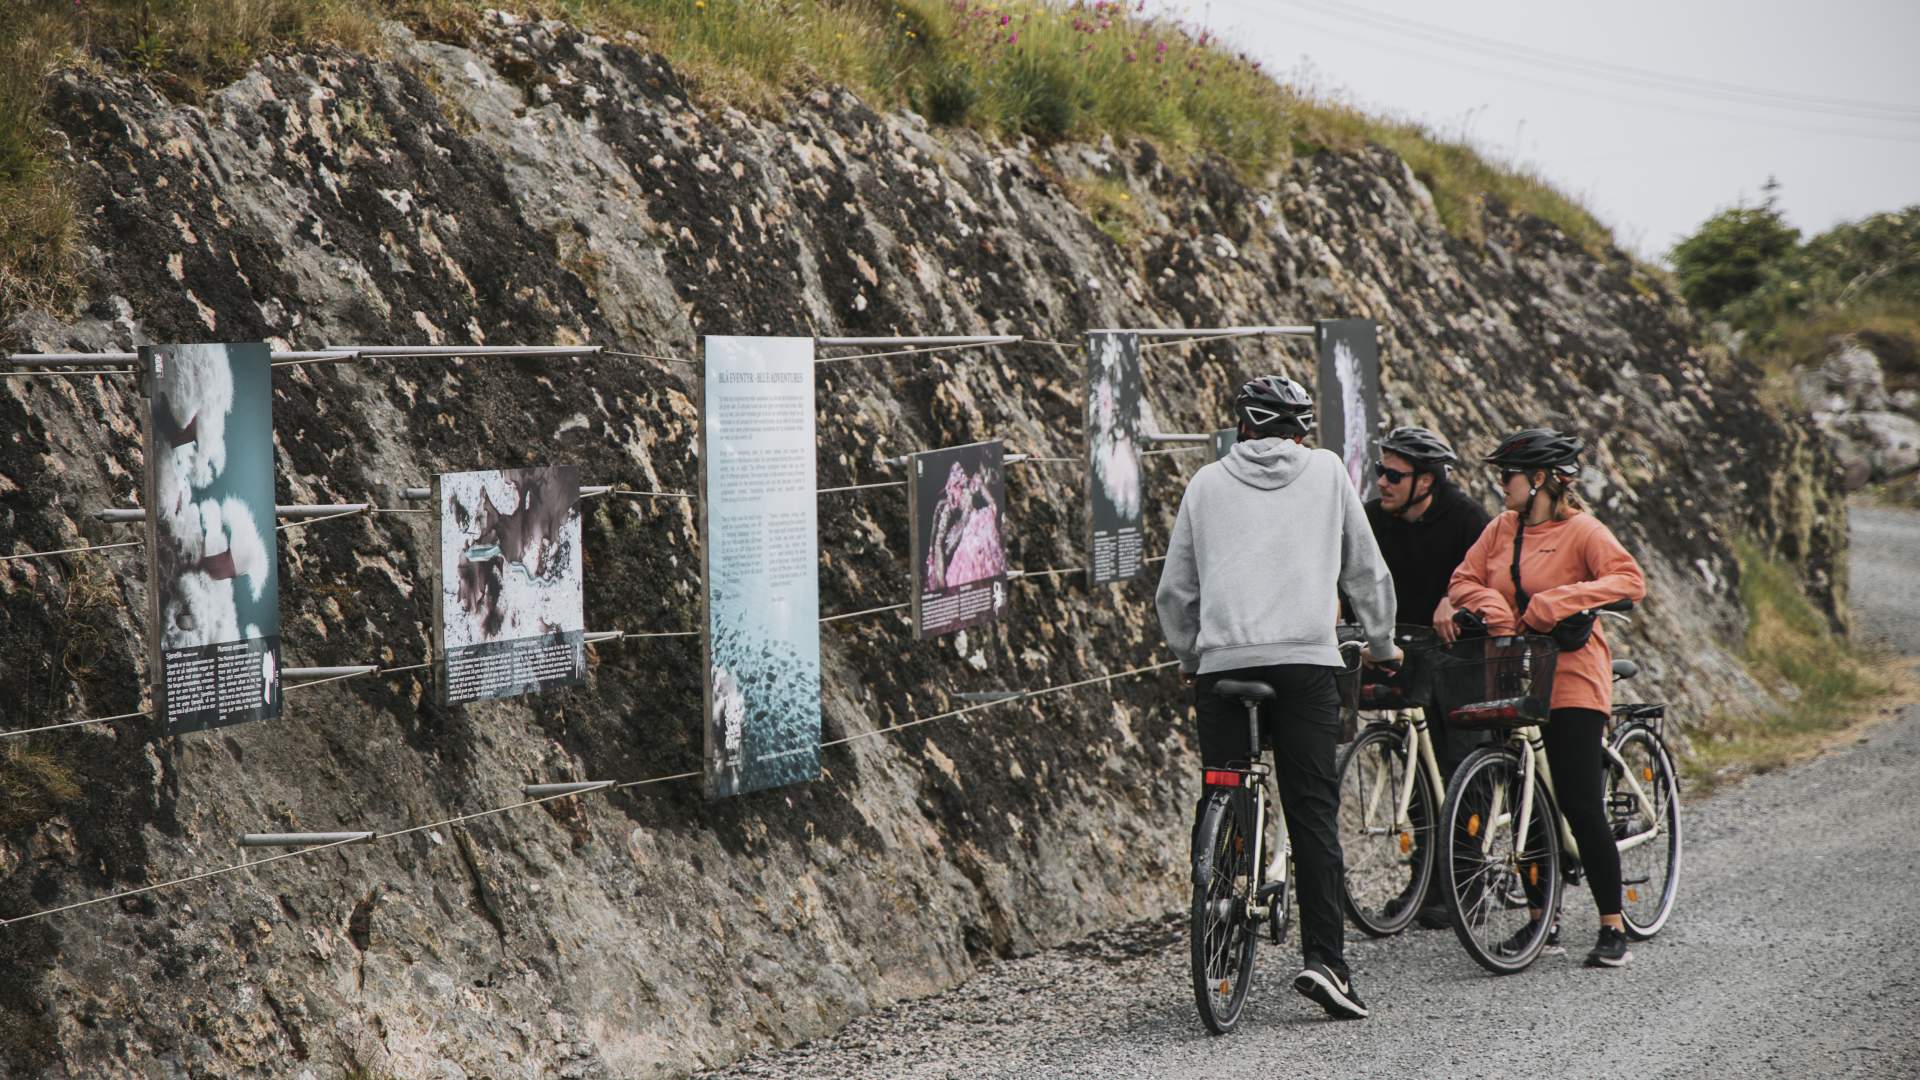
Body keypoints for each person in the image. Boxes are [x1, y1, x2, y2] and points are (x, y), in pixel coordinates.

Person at [1156, 374, 1402, 1021]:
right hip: (1305, 664)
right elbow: (1365, 569)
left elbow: (1175, 590)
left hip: (1223, 667)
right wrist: (1381, 642)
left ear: (1242, 427)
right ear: (1300, 430)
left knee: (1222, 787)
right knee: (1313, 814)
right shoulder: (1325, 473)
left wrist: (1191, 655)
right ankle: (1327, 964)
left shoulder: (1206, 483)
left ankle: (1220, 923)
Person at [1447, 428, 1646, 968]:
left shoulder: (1583, 530)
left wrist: (1560, 600)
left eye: (1506, 476)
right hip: (1514, 674)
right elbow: (1462, 580)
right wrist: (1488, 603)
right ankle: (1542, 921)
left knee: (1579, 801)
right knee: (1525, 803)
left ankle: (1612, 926)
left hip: (1573, 677)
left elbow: (1629, 581)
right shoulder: (1499, 529)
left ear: (1539, 480)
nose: (1499, 485)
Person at [1364, 425, 1492, 929]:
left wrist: (1457, 598)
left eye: (1393, 474)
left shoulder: (1466, 519)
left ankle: (1466, 883)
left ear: (1427, 481)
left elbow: (1493, 575)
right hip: (1410, 654)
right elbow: (1351, 577)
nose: (1382, 482)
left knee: (1462, 766)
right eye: (1380, 471)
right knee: (1417, 775)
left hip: (1462, 659)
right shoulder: (1375, 519)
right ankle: (1423, 880)